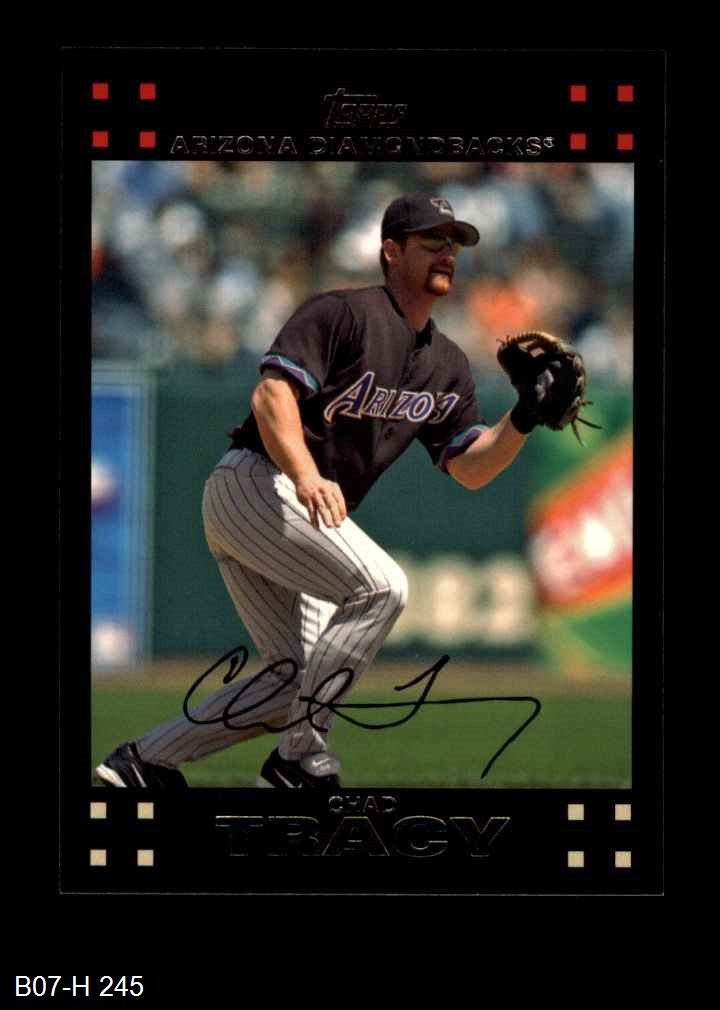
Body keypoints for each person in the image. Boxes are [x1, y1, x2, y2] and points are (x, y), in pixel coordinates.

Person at [95, 193, 532, 791]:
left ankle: (142, 763)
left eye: (454, 243)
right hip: (259, 483)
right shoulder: (343, 314)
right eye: (432, 240)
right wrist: (304, 474)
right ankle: (297, 760)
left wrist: (524, 418)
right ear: (391, 250)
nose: (447, 253)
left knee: (295, 683)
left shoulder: (447, 363)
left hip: (293, 508)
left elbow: (471, 469)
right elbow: (271, 396)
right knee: (383, 587)